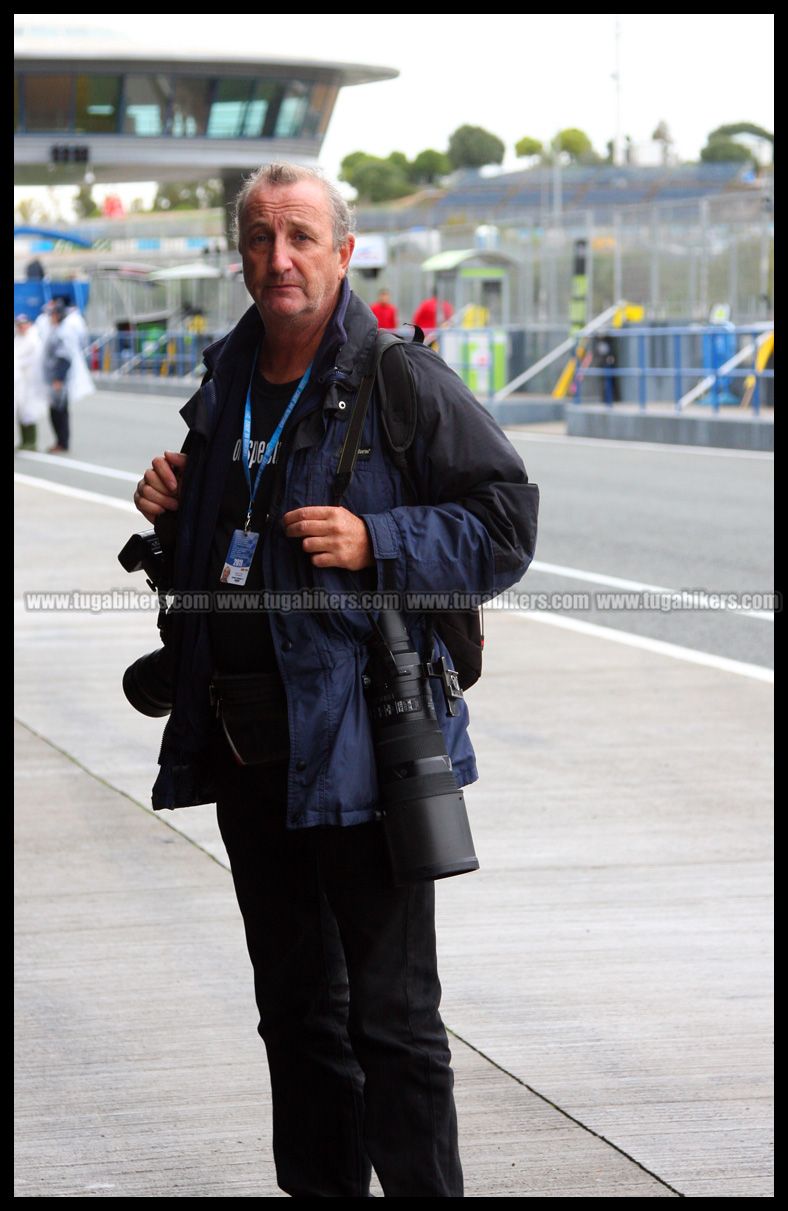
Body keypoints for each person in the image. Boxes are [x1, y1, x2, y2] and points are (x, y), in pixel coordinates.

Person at [133, 162, 538, 1198]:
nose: (280, 258)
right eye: (261, 238)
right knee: (296, 1012)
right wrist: (173, 514)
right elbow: (228, 560)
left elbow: (504, 524)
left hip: (366, 751)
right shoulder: (225, 386)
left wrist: (377, 537)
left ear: (344, 251)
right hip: (246, 750)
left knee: (392, 1016)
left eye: (302, 236)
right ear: (240, 256)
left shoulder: (401, 378)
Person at [41, 299, 95, 453]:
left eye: (53, 314)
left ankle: (62, 442)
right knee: (56, 410)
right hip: (54, 377)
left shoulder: (63, 332)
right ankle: (60, 441)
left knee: (59, 412)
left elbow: (64, 358)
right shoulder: (57, 329)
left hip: (59, 379)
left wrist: (58, 378)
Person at [14, 314, 48, 450]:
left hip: (29, 380)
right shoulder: (17, 339)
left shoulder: (33, 340)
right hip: (19, 381)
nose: (21, 327)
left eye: (23, 324)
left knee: (28, 410)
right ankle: (24, 441)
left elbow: (34, 360)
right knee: (20, 410)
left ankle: (31, 441)